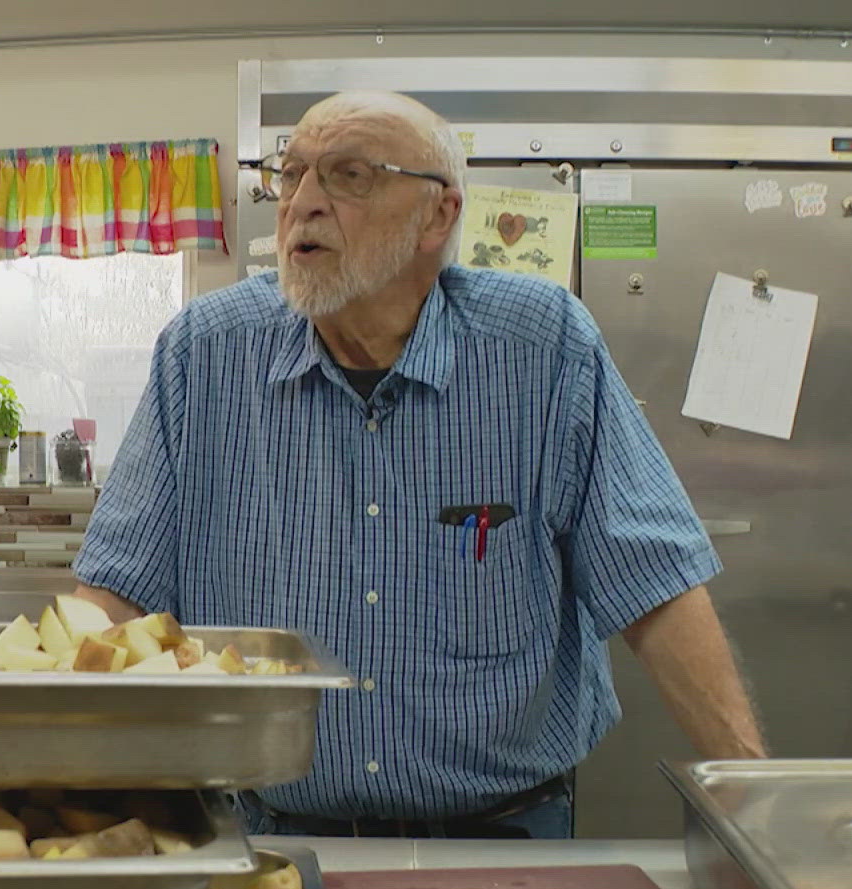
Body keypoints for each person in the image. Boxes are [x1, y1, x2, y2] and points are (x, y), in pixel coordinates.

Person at [73, 91, 765, 839]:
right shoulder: (204, 355)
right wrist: (58, 795)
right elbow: (115, 595)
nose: (302, 202)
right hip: (270, 833)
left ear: (437, 216)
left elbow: (654, 584)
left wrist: (753, 805)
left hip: (506, 835)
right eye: (292, 173)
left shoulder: (543, 348)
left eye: (349, 176)